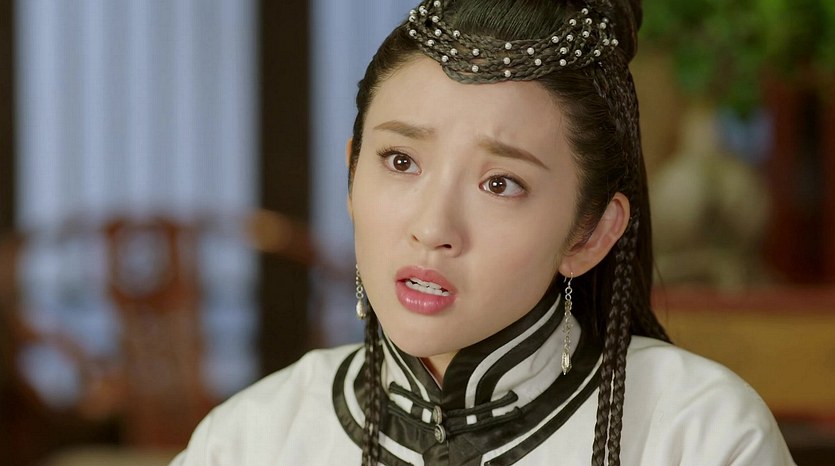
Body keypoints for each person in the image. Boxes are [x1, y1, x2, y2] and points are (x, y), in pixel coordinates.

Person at [172, 0, 796, 464]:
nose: (432, 228)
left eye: (500, 183)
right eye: (401, 161)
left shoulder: (699, 435)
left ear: (591, 234)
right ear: (352, 172)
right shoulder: (253, 438)